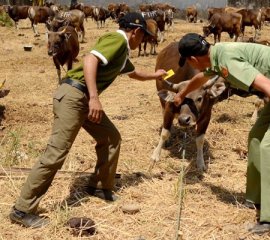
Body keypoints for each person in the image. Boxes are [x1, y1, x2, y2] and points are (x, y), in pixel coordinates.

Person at [9, 12, 167, 228]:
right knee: (56, 153)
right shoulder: (117, 40)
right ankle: (22, 210)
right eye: (144, 36)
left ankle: (100, 186)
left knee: (111, 137)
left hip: (80, 98)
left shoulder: (122, 51)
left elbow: (133, 72)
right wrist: (94, 98)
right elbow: (90, 59)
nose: (144, 40)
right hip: (75, 97)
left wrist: (156, 75)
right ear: (136, 32)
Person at [174, 33, 270, 234]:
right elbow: (201, 77)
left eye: (187, 61)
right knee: (256, 137)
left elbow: (267, 85)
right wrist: (181, 94)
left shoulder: (227, 59)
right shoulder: (216, 55)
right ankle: (257, 198)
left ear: (193, 59)